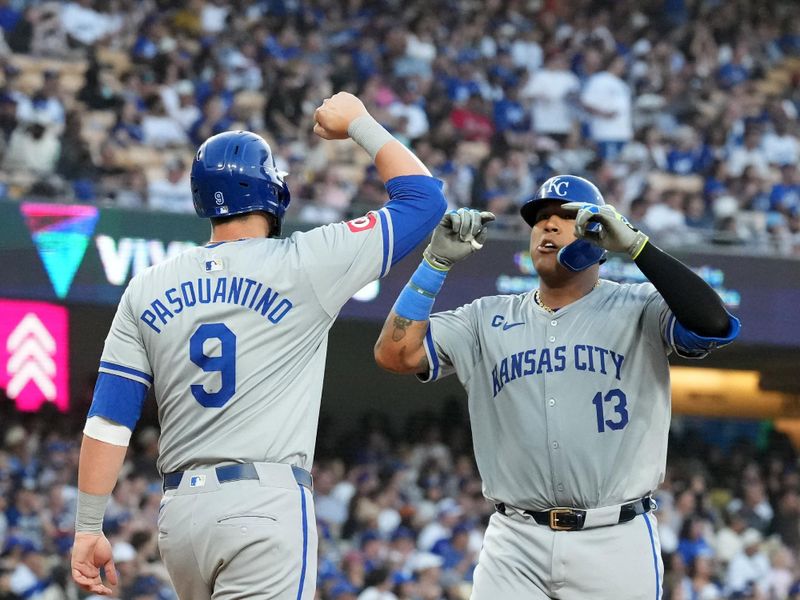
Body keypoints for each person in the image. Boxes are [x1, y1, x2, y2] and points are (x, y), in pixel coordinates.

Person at [70, 91, 447, 599]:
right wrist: (360, 122)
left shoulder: (148, 284)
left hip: (180, 516)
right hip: (263, 504)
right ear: (272, 191)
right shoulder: (306, 261)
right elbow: (425, 200)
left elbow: (109, 419)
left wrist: (88, 527)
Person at [374, 174, 740, 599]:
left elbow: (713, 324)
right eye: (540, 218)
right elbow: (394, 354)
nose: (547, 226)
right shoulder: (483, 317)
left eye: (565, 217)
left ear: (598, 235)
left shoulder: (639, 305)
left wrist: (639, 247)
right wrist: (434, 264)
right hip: (515, 540)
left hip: (615, 538)